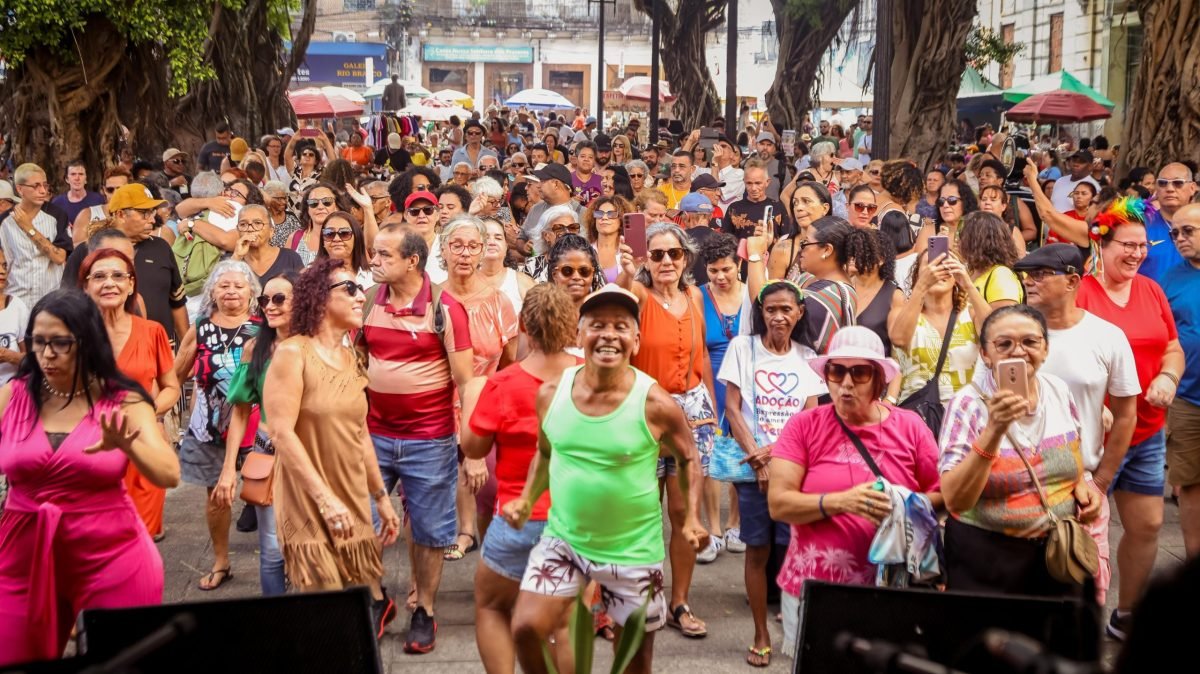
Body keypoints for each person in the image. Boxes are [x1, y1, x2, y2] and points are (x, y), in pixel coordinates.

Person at [508, 284, 710, 674]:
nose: (608, 335)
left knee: (634, 661)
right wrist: (527, 499)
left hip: (633, 551)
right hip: (564, 541)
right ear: (578, 334)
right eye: (597, 324)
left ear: (636, 340)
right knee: (526, 627)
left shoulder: (655, 403)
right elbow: (546, 452)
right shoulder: (552, 393)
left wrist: (692, 518)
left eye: (621, 326)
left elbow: (688, 456)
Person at [0, 289, 179, 665]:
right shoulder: (12, 396)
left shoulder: (122, 400)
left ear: (87, 342)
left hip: (111, 553)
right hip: (22, 554)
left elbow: (169, 473)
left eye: (60, 343)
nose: (46, 354)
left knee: (118, 663)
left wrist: (128, 447)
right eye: (38, 342)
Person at [769, 326, 942, 657]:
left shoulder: (910, 426)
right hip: (814, 588)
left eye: (859, 372)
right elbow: (779, 504)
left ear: (878, 380)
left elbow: (942, 495)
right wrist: (842, 502)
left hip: (891, 590)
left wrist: (901, 503)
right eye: (837, 370)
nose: (846, 383)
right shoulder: (803, 426)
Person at [264, 259, 401, 635]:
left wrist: (381, 498)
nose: (362, 297)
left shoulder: (351, 357)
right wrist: (324, 498)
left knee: (358, 602)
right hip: (309, 499)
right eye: (351, 289)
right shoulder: (293, 354)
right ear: (321, 299)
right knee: (325, 612)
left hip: (352, 495)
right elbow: (281, 432)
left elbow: (360, 434)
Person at [1073, 197, 1185, 640]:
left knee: (1150, 524)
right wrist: (1093, 403)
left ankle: (1127, 616)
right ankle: (1076, 616)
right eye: (1129, 244)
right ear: (1102, 244)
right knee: (1082, 529)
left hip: (1146, 431)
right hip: (1094, 438)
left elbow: (1172, 346)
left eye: (1144, 244)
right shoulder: (1080, 292)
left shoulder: (1152, 290)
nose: (1138, 253)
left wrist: (1169, 376)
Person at [361, 225, 474, 653]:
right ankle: (376, 600)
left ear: (413, 260)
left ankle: (424, 609)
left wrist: (473, 449)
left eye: (385, 254)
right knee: (362, 526)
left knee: (429, 531)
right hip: (373, 436)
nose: (375, 261)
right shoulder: (370, 301)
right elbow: (357, 361)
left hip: (430, 439)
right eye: (374, 253)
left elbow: (467, 381)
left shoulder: (445, 309)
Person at [939, 305, 1104, 596]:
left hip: (1055, 554)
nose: (1018, 352)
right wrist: (994, 431)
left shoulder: (1058, 390)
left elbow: (1071, 459)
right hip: (986, 559)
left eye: (1030, 342)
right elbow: (955, 498)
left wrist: (1082, 484)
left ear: (1045, 349)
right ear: (985, 354)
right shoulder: (968, 404)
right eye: (1004, 344)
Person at [460, 285, 579, 673]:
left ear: (524, 325)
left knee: (493, 606)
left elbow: (474, 448)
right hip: (577, 522)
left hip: (519, 516)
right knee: (563, 622)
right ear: (571, 326)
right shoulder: (590, 379)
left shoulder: (504, 383)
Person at [1017, 244, 1139, 604]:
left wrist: (1100, 483)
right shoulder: (1011, 334)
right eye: (1027, 275)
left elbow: (1126, 414)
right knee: (1024, 593)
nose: (1029, 282)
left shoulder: (1106, 336)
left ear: (1072, 281)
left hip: (1080, 490)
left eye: (1040, 275)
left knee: (1084, 591)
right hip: (1018, 482)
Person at [718, 280, 826, 667]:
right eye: (770, 310)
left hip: (793, 470)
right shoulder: (741, 349)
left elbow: (810, 419)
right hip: (752, 471)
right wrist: (759, 459)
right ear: (760, 313)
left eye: (786, 310)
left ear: (799, 313)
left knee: (795, 549)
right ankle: (761, 632)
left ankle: (797, 629)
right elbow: (732, 409)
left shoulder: (807, 356)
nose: (778, 317)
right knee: (757, 550)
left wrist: (776, 458)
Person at [616, 222, 716, 635]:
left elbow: (703, 355)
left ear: (686, 257)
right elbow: (616, 302)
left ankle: (679, 601)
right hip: (645, 413)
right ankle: (638, 599)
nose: (665, 262)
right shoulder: (638, 295)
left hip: (692, 414)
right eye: (656, 255)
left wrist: (713, 412)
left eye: (673, 254)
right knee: (640, 513)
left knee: (683, 512)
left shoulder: (694, 295)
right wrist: (625, 270)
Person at [79, 248, 180, 540]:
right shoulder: (71, 334)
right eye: (99, 276)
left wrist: (148, 412)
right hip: (89, 451)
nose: (109, 283)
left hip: (143, 449)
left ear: (131, 284)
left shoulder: (152, 331)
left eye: (117, 276)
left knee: (141, 542)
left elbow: (171, 387)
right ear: (86, 286)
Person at [173, 260, 260, 591]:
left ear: (252, 291)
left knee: (265, 493)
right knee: (217, 497)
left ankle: (277, 559)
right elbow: (176, 374)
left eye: (239, 286)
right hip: (209, 425)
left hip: (252, 424)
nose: (232, 292)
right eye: (224, 286)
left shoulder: (262, 327)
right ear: (212, 291)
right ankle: (221, 560)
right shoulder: (201, 326)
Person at [438, 216, 519, 562]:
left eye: (473, 246)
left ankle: (478, 533)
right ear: (443, 250)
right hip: (437, 403)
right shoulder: (430, 298)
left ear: (484, 250)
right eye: (457, 245)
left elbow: (510, 362)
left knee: (485, 481)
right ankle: (462, 530)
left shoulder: (498, 301)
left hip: (482, 401)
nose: (465, 254)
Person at [215, 271, 298, 596]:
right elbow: (240, 409)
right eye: (265, 299)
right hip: (267, 454)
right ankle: (277, 619)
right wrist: (228, 470)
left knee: (311, 544)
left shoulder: (314, 343)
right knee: (272, 548)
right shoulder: (255, 347)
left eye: (279, 299)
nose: (270, 306)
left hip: (311, 453)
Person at [890, 248, 991, 409]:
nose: (938, 270)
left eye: (945, 264)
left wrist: (968, 284)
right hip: (917, 417)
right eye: (931, 265)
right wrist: (921, 287)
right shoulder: (904, 312)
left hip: (963, 416)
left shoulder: (971, 314)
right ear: (917, 275)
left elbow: (995, 335)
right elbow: (899, 338)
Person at [1162, 204, 1200, 560]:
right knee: (1189, 484)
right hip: (1187, 399)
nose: (1179, 239)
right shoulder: (1171, 278)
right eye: (1174, 232)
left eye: (1188, 231)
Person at [3, 163, 73, 309]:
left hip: (50, 300)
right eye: (36, 186)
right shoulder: (4, 222)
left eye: (45, 185)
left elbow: (60, 257)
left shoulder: (57, 215)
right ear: (19, 189)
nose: (42, 191)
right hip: (16, 300)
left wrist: (29, 228)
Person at [846, 228, 903, 354]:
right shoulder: (843, 286)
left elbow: (900, 342)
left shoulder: (894, 295)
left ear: (881, 259)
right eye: (851, 250)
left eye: (861, 251)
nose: (852, 256)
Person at [1141, 163, 1196, 283]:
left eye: (1178, 183)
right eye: (1162, 183)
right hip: (1148, 299)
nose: (1170, 189)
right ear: (1156, 189)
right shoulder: (1139, 225)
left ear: (1192, 188)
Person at [958, 212, 1023, 308]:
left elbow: (1001, 320)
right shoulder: (970, 271)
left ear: (976, 241)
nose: (958, 241)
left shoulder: (1002, 275)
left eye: (961, 236)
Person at [230, 204, 303, 284]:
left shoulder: (290, 258)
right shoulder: (231, 260)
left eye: (257, 223)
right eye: (243, 224)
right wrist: (237, 257)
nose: (250, 229)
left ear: (271, 231)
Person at [479, 217, 534, 314]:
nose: (492, 242)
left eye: (498, 238)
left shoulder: (523, 283)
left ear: (506, 246)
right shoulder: (463, 281)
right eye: (486, 237)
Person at [289, 182, 345, 266]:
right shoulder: (294, 238)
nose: (320, 207)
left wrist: (367, 209)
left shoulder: (348, 236)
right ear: (307, 209)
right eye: (313, 203)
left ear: (337, 207)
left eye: (327, 201)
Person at [317, 210, 373, 288]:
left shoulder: (373, 277)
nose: (336, 239)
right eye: (329, 233)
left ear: (356, 238)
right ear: (323, 241)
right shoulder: (311, 278)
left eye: (344, 233)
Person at [525, 205, 581, 282]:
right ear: (546, 236)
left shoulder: (587, 261)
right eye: (559, 229)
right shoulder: (532, 266)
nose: (568, 233)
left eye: (572, 227)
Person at [583, 194, 629, 283]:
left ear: (621, 220)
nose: (604, 218)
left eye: (611, 214)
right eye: (599, 214)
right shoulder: (584, 251)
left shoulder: (629, 251)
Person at [0, 249, 27, 386]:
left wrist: (9, 356)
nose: (2, 271)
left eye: (4, 266)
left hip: (12, 391)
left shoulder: (16, 306)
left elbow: (31, 359)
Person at [51, 161, 104, 225]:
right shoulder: (57, 203)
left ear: (86, 179)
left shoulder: (98, 200)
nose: (77, 178)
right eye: (73, 174)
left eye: (81, 174)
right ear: (67, 179)